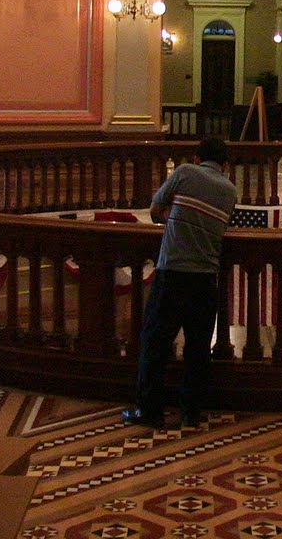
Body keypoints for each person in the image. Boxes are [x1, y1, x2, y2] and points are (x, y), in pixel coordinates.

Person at [122, 136, 238, 429]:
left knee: (156, 342)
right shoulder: (230, 191)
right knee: (198, 350)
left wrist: (174, 219)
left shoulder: (185, 173)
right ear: (224, 165)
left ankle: (150, 411)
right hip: (206, 279)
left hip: (173, 271)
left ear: (197, 158)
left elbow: (154, 209)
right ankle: (190, 413)